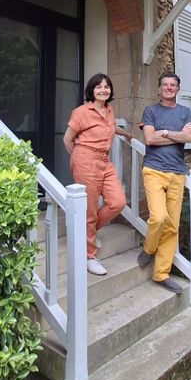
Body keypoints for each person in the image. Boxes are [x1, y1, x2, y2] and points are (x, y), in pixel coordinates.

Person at [64, 73, 133, 276]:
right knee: (90, 210)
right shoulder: (81, 112)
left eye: (107, 86)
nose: (103, 89)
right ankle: (90, 256)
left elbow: (110, 128)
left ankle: (89, 232)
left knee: (117, 202)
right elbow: (67, 140)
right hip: (86, 161)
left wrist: (126, 133)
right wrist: (80, 158)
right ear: (91, 90)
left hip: (105, 161)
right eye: (99, 87)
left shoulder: (109, 109)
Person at [137, 72, 191, 294]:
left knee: (172, 226)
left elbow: (190, 138)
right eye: (165, 85)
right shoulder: (151, 111)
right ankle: (149, 248)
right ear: (159, 89)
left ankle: (161, 274)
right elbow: (150, 139)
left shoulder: (185, 112)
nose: (169, 88)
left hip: (178, 173)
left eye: (173, 85)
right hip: (154, 170)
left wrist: (165, 132)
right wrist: (177, 134)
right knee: (158, 217)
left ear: (177, 89)